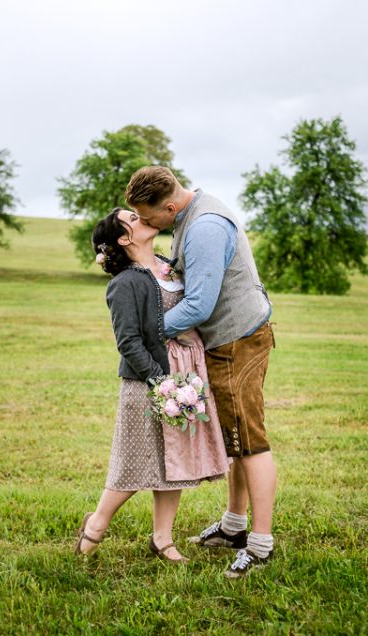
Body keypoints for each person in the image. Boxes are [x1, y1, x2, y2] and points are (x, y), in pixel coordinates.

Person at [125, 166, 276, 579]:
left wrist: (149, 335)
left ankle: (260, 546)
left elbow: (198, 306)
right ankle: (233, 527)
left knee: (250, 440)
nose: (147, 224)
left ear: (169, 206)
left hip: (238, 340)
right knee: (235, 438)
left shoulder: (206, 227)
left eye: (149, 216)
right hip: (224, 342)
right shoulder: (186, 217)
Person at [74, 207, 228, 563]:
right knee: (133, 463)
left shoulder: (166, 264)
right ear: (124, 238)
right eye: (132, 217)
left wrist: (183, 378)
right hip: (148, 382)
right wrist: (160, 382)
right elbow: (128, 342)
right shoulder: (125, 283)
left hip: (185, 374)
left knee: (173, 462)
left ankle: (162, 539)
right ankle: (95, 526)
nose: (142, 215)